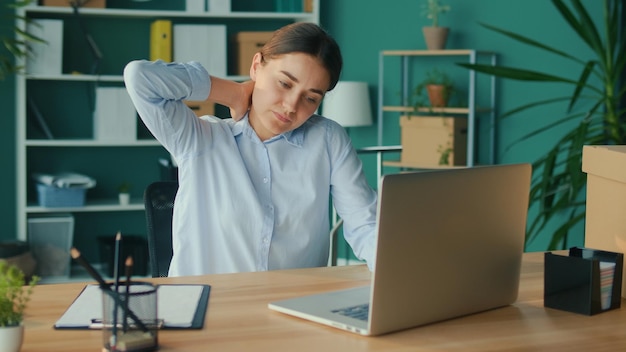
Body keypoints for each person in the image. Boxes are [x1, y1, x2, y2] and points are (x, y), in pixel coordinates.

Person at [124, 22, 377, 276]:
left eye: (310, 98)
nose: (291, 106)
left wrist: (392, 269)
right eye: (285, 84)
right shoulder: (200, 138)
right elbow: (140, 77)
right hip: (209, 304)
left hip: (296, 304)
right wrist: (231, 92)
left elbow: (365, 225)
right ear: (256, 66)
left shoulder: (328, 139)